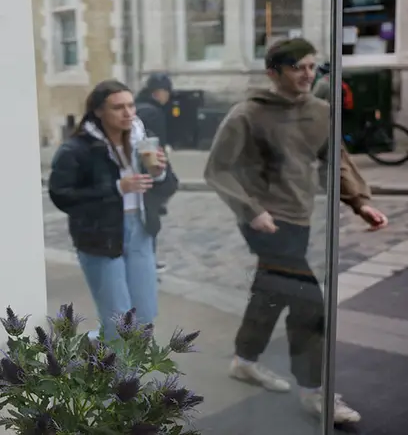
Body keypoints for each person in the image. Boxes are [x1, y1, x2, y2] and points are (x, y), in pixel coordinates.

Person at [205, 38, 388, 424]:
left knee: (270, 292)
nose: (307, 74)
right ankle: (315, 392)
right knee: (308, 304)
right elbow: (217, 169)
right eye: (296, 68)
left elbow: (334, 160)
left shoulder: (320, 112)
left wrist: (360, 202)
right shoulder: (247, 114)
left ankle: (244, 360)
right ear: (274, 73)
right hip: (265, 223)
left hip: (299, 219)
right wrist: (252, 211)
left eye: (310, 66)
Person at [49, 80, 178, 341]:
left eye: (130, 105)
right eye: (118, 107)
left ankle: (107, 360)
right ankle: (118, 379)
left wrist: (160, 173)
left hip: (141, 230)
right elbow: (62, 196)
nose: (128, 113)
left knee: (143, 317)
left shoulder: (144, 140)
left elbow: (169, 187)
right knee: (119, 322)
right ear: (98, 111)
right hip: (101, 238)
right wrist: (118, 188)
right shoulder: (78, 149)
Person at [135, 72, 174, 273]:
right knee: (150, 217)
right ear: (159, 92)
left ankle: (147, 259)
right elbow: (153, 144)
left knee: (146, 217)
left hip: (139, 169)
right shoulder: (153, 112)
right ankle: (147, 261)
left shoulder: (138, 107)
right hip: (149, 168)